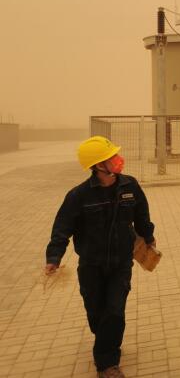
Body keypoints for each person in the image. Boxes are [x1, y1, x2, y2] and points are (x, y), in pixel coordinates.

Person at [45, 136, 156, 378]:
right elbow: (62, 228)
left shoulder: (130, 186)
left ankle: (107, 364)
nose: (118, 160)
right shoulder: (79, 196)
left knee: (114, 311)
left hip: (121, 263)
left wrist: (148, 238)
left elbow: (142, 215)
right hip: (91, 266)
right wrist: (53, 257)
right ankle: (106, 338)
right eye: (111, 157)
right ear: (97, 165)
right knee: (96, 312)